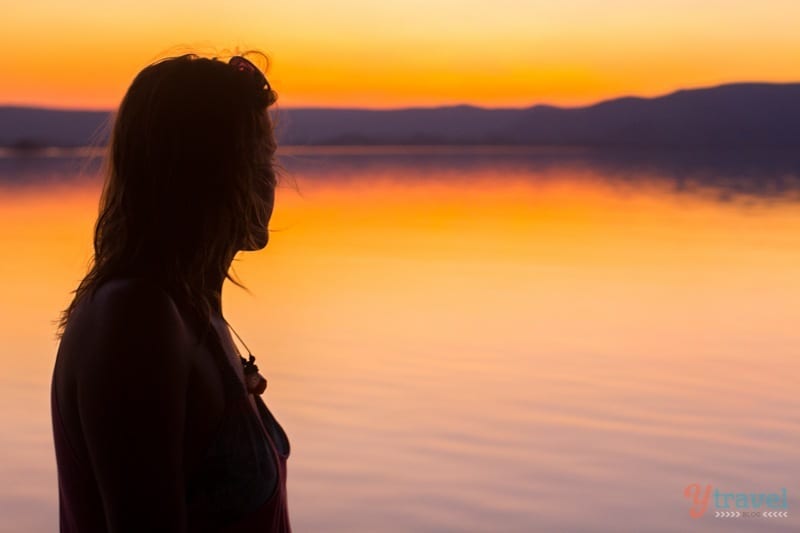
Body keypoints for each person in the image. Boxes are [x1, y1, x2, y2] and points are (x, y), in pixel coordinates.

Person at [50, 52, 291, 532]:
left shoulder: (190, 313)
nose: (272, 179)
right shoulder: (137, 317)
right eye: (257, 159)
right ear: (201, 171)